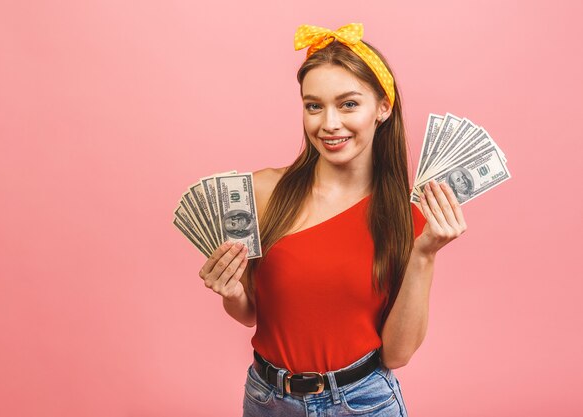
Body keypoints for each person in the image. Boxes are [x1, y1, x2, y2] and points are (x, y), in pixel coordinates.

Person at [197, 23, 467, 417]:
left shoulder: (408, 214)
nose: (329, 124)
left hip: (362, 403)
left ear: (383, 108)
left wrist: (425, 253)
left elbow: (398, 353)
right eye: (313, 105)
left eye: (348, 104)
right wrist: (231, 292)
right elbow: (251, 311)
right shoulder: (262, 191)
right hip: (266, 400)